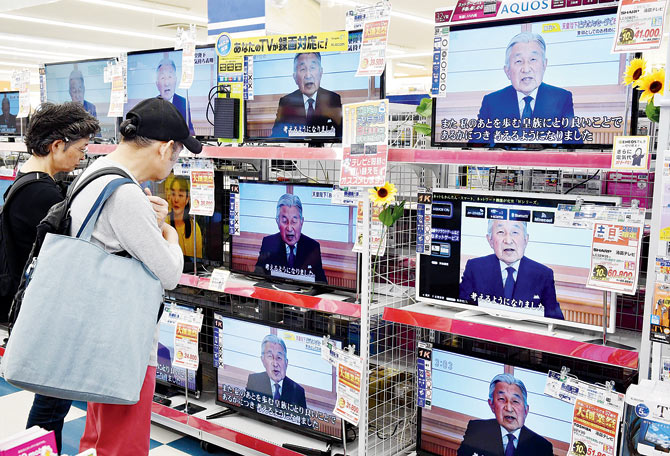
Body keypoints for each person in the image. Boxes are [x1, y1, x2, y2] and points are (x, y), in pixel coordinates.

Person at [73, 96, 201, 455]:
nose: (174, 163)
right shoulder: (126, 195)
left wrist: (150, 225)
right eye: (177, 154)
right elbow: (171, 272)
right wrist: (170, 235)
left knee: (97, 439)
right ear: (164, 149)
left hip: (96, 334)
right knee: (122, 446)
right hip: (123, 343)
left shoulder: (96, 173)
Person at [3, 102, 100, 454]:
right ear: (57, 145)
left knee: (51, 405)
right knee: (51, 407)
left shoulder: (26, 183)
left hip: (40, 312)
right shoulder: (41, 194)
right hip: (50, 317)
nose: (81, 158)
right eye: (80, 149)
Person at [470, 32, 581, 146]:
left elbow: (574, 145)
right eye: (518, 61)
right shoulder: (492, 101)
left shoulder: (561, 98)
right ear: (507, 71)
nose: (526, 69)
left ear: (544, 64)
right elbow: (474, 145)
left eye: (533, 59)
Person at [459, 219, 564, 320]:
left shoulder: (543, 274)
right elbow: (460, 310)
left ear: (526, 239)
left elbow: (555, 320)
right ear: (490, 240)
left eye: (515, 232)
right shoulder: (475, 268)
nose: (508, 241)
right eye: (500, 232)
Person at [457, 373, 553, 456]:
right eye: (502, 399)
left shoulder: (542, 447)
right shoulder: (476, 429)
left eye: (515, 401)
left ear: (526, 410)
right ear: (492, 405)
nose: (509, 408)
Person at [254, 193, 327, 283]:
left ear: (301, 222)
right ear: (277, 221)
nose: (289, 228)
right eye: (284, 221)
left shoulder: (312, 247)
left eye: (294, 221)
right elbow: (257, 275)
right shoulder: (268, 243)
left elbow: (322, 282)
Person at [271, 52, 342, 138]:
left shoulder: (333, 99)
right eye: (302, 69)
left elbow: (340, 135)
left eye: (312, 68)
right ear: (295, 77)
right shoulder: (286, 102)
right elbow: (276, 137)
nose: (308, 75)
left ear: (321, 73)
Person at [246, 334, 307, 409]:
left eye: (279, 357)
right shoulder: (254, 381)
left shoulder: (298, 391)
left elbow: (304, 420)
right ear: (263, 360)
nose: (275, 364)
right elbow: (245, 411)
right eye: (270, 356)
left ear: (286, 362)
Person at [155, 57, 194, 135]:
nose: (167, 83)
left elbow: (190, 130)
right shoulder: (152, 105)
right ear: (157, 84)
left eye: (170, 77)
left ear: (176, 80)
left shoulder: (183, 102)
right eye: (162, 78)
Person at [166, 176, 202, 258]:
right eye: (173, 194)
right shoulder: (164, 224)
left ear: (187, 199)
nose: (176, 199)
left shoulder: (194, 227)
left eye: (181, 195)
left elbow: (199, 259)